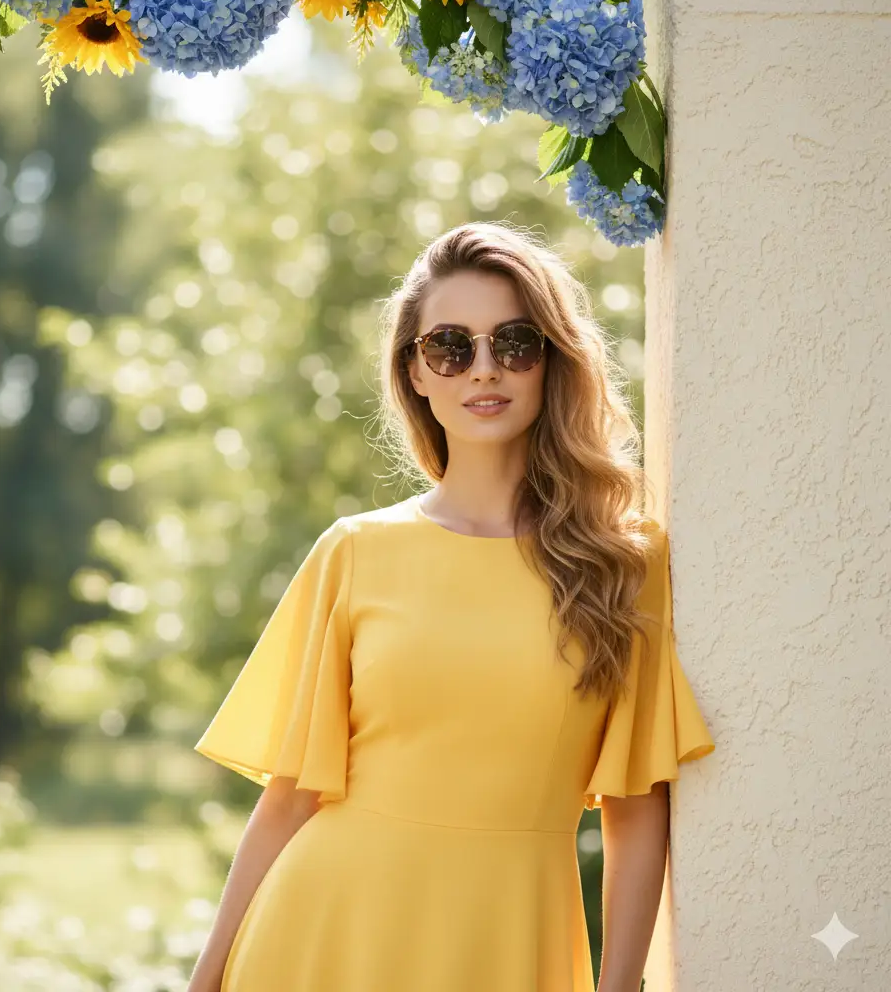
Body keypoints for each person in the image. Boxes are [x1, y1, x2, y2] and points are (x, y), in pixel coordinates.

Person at [185, 221, 716, 992]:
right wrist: (206, 979)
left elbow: (635, 810)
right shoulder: (354, 551)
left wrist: (620, 985)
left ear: (551, 363)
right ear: (417, 373)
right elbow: (290, 797)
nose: (483, 370)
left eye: (515, 342)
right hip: (322, 935)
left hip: (508, 941)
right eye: (450, 346)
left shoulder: (622, 563)